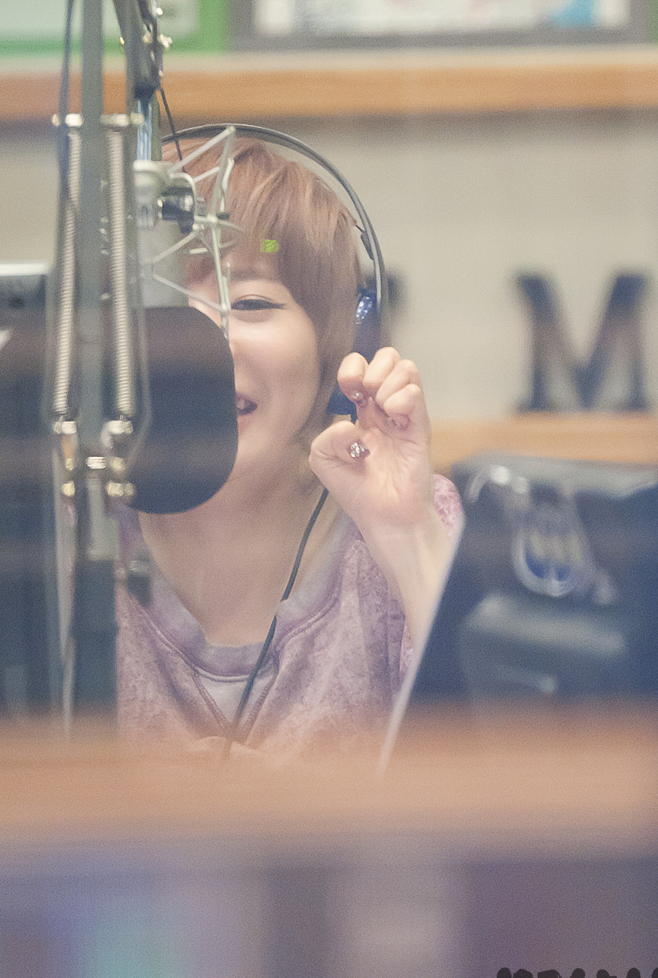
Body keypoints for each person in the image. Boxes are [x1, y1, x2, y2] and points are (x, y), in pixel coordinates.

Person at [115, 136, 462, 756]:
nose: (203, 345)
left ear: (339, 344)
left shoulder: (412, 519)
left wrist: (408, 537)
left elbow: (497, 776)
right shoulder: (62, 539)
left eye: (250, 303)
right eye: (165, 304)